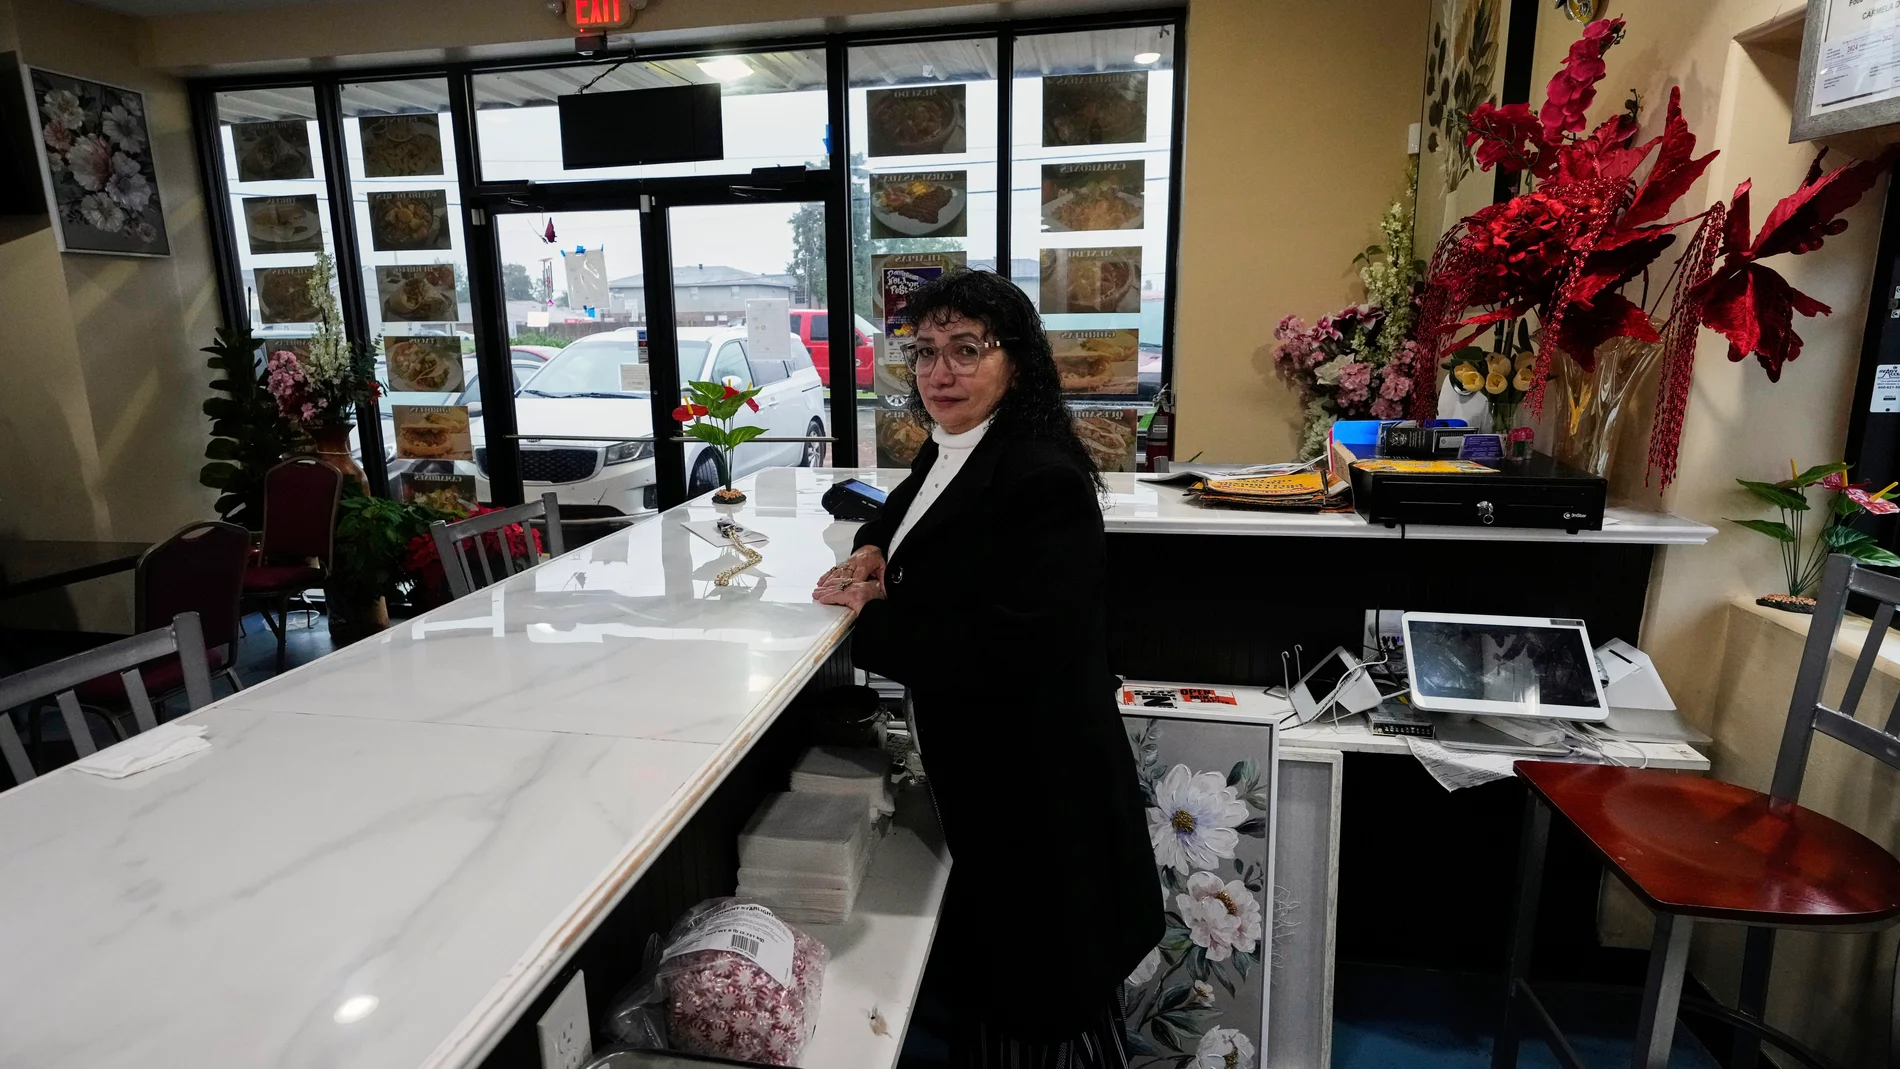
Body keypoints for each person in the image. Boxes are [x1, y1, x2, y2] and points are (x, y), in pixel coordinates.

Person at [813, 270, 1160, 1067]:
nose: (941, 372)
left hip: (1040, 790)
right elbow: (912, 501)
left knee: (1043, 1001)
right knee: (1010, 986)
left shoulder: (1041, 477)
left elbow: (1014, 646)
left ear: (1015, 360)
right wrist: (873, 545)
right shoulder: (964, 443)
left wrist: (872, 622)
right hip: (996, 777)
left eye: (967, 349)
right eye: (925, 351)